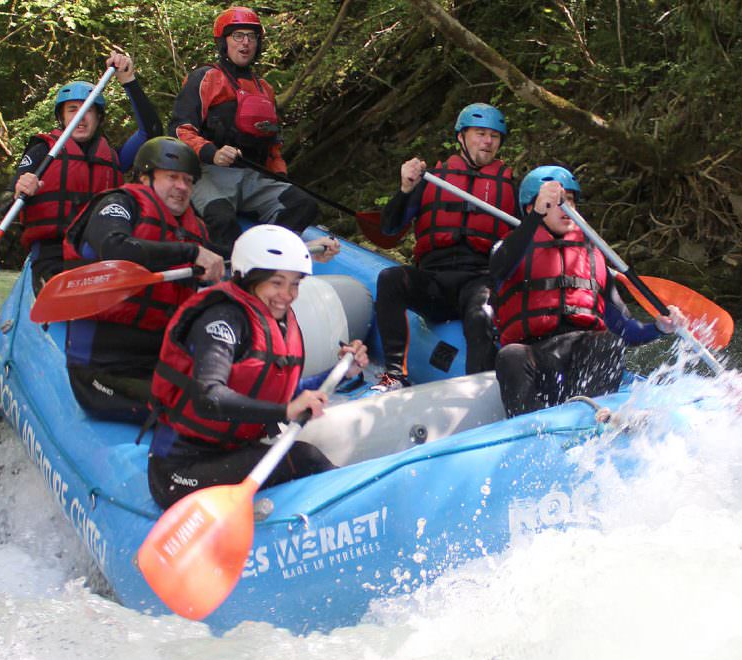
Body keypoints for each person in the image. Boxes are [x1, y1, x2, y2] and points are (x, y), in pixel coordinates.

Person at [146, 225, 368, 509]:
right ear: (251, 278)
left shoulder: (274, 318)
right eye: (277, 282)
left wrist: (340, 373)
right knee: (304, 458)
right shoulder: (223, 319)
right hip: (181, 469)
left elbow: (274, 391)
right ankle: (359, 512)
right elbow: (208, 397)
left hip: (231, 451)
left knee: (308, 454)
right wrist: (284, 412)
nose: (287, 294)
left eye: (295, 283)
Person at [490, 166, 681, 418]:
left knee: (607, 341)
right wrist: (537, 215)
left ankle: (595, 419)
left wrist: (659, 328)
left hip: (582, 360)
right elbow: (501, 265)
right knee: (510, 356)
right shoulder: (508, 248)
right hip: (538, 359)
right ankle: (529, 432)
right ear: (530, 207)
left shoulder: (593, 256)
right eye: (557, 201)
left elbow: (625, 330)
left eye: (570, 200)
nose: (565, 206)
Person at [61, 136, 224, 422]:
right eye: (172, 177)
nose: (182, 187)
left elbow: (232, 260)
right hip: (101, 373)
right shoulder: (119, 204)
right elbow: (114, 248)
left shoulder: (193, 229)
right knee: (201, 410)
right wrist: (190, 252)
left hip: (161, 365)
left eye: (188, 180)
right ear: (145, 178)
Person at [372, 102, 518, 391]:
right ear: (461, 137)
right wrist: (405, 190)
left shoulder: (511, 187)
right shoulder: (431, 180)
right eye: (480, 133)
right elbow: (389, 229)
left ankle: (479, 391)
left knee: (482, 313)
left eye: (494, 136)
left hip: (478, 280)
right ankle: (394, 376)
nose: (488, 142)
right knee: (390, 279)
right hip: (434, 282)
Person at [3, 51, 162, 289]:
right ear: (62, 117)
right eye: (73, 110)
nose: (81, 117)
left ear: (99, 118)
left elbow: (152, 132)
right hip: (52, 253)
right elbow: (5, 203)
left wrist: (129, 81)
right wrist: (19, 190)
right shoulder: (41, 151)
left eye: (88, 110)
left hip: (99, 251)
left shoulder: (115, 156)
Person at [168, 6, 321, 254]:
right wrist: (212, 153)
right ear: (224, 42)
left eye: (251, 37)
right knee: (221, 217)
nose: (245, 43)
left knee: (302, 205)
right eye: (238, 35)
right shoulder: (205, 78)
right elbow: (179, 131)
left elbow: (272, 145)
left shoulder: (264, 89)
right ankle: (227, 276)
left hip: (251, 177)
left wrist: (279, 172)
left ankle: (269, 261)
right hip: (207, 173)